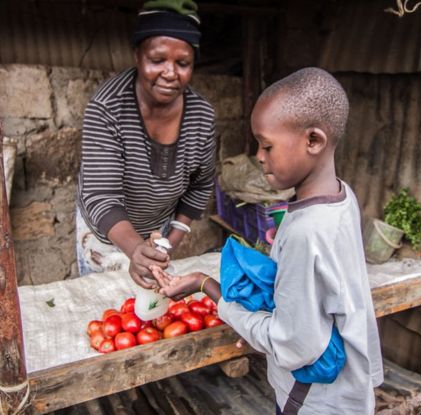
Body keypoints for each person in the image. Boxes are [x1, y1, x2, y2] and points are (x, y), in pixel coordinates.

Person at [153, 68, 384, 414]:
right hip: (346, 390)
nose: (259, 156)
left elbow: (292, 345)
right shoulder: (341, 196)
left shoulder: (307, 232)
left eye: (267, 145)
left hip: (313, 402)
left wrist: (206, 286)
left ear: (314, 141)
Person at [76, 0, 216, 287]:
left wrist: (167, 243)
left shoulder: (202, 116)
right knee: (106, 309)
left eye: (183, 63)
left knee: (150, 311)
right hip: (106, 235)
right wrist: (133, 249)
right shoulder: (108, 108)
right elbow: (101, 196)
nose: (170, 73)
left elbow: (200, 186)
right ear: (138, 54)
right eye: (157, 60)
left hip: (157, 231)